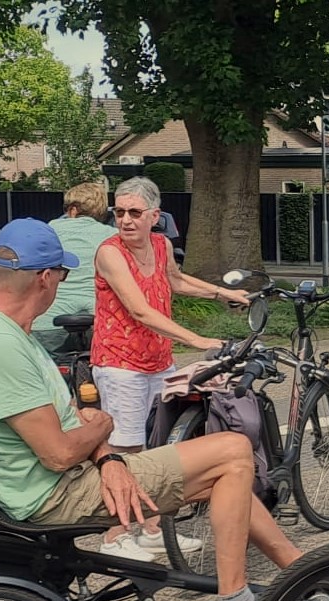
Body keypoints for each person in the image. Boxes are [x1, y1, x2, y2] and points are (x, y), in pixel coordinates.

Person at [0, 219, 320, 601]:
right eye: (64, 274)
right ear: (46, 278)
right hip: (52, 494)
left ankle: (303, 573)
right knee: (232, 450)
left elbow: (69, 422)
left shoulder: (6, 332)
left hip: (64, 478)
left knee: (223, 473)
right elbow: (59, 452)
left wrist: (108, 457)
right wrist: (104, 425)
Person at [91, 175, 247, 561]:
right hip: (120, 362)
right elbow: (139, 309)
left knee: (158, 445)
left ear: (154, 216)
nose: (125, 220)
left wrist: (222, 292)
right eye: (119, 212)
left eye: (134, 213)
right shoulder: (110, 253)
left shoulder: (161, 245)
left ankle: (150, 528)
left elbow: (175, 280)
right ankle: (114, 535)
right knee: (126, 448)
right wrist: (197, 340)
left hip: (158, 359)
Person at [31, 179, 116, 356]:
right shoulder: (113, 236)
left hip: (49, 321)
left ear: (72, 210)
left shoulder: (48, 230)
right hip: (100, 320)